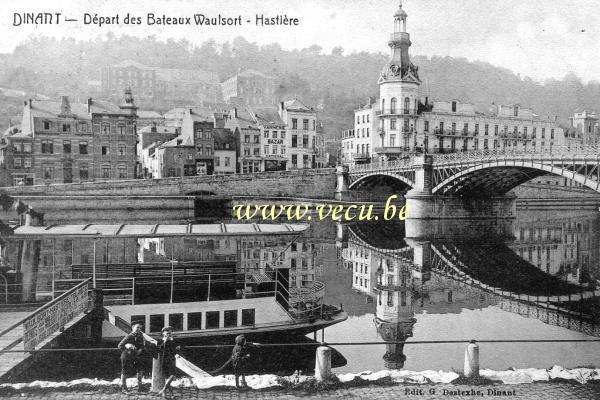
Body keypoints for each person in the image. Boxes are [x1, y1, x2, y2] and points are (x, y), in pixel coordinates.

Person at [117, 323, 147, 393]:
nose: (139, 329)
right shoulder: (129, 336)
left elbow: (142, 345)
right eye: (137, 327)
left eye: (140, 328)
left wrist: (141, 349)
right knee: (125, 371)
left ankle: (140, 387)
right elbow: (120, 345)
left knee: (140, 370)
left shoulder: (140, 336)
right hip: (127, 355)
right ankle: (124, 387)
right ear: (133, 328)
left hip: (136, 355)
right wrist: (127, 346)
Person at [157, 326, 181, 398]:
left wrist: (177, 351)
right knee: (167, 377)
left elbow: (176, 350)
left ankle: (164, 390)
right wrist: (165, 342)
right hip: (163, 360)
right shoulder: (160, 341)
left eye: (170, 333)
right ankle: (170, 393)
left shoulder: (173, 341)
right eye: (167, 333)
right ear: (163, 333)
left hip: (171, 360)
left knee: (172, 375)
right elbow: (159, 349)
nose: (169, 334)